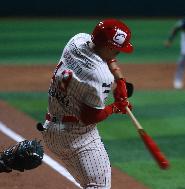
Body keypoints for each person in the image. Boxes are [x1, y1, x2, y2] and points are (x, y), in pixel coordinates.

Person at [40, 19, 133, 189]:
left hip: (51, 129)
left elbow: (104, 55)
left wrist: (119, 78)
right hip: (76, 137)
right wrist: (116, 107)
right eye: (117, 50)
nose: (118, 55)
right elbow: (90, 117)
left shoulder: (77, 40)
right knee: (99, 186)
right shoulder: (100, 75)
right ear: (109, 47)